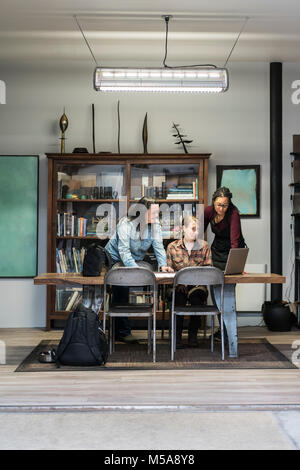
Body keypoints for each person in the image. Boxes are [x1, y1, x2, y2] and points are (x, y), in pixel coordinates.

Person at [105, 197, 173, 343]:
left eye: (157, 212)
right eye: (153, 213)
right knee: (121, 288)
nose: (156, 216)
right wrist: (135, 270)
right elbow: (123, 251)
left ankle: (119, 331)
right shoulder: (126, 224)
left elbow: (159, 247)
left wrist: (163, 265)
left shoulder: (155, 225)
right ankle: (121, 332)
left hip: (134, 259)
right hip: (114, 258)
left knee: (125, 290)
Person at [204, 186, 246, 341]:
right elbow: (198, 231)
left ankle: (228, 331)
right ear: (214, 202)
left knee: (228, 293)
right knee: (215, 291)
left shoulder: (233, 213)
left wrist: (235, 265)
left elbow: (235, 241)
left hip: (232, 251)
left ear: (229, 204)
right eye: (218, 205)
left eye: (225, 205)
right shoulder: (208, 211)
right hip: (216, 251)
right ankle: (222, 330)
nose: (221, 208)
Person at [166, 215, 212, 348]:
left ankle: (193, 337)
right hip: (177, 285)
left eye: (198, 229)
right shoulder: (172, 247)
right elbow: (168, 270)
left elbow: (208, 269)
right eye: (193, 228)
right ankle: (177, 338)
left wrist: (197, 283)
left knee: (197, 297)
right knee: (178, 298)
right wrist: (179, 283)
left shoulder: (204, 246)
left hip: (197, 285)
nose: (196, 232)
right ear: (183, 229)